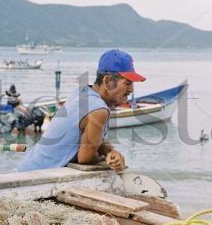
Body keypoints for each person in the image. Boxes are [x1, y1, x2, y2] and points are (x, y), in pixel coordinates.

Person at [17, 49, 145, 172]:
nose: (131, 90)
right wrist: (104, 159)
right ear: (107, 81)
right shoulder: (98, 110)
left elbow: (92, 140)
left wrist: (109, 152)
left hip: (26, 169)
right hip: (37, 178)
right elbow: (85, 158)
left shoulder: (82, 93)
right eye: (127, 83)